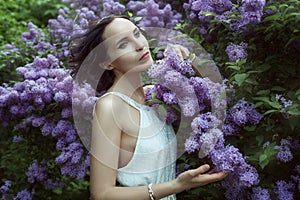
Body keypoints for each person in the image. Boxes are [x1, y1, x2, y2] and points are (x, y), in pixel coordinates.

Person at [69, 15, 227, 200]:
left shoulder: (156, 96)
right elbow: (102, 194)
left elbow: (217, 95)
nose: (139, 45)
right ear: (108, 63)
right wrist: (177, 185)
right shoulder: (110, 106)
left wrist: (189, 58)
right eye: (123, 44)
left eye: (137, 34)